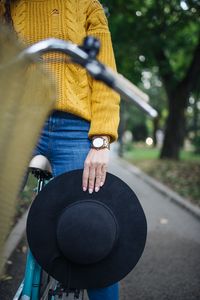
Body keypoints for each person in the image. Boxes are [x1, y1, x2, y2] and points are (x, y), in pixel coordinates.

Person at [0, 0, 120, 299]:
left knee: (93, 231)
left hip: (74, 126)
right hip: (17, 118)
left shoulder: (88, 6)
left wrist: (102, 138)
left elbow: (104, 74)